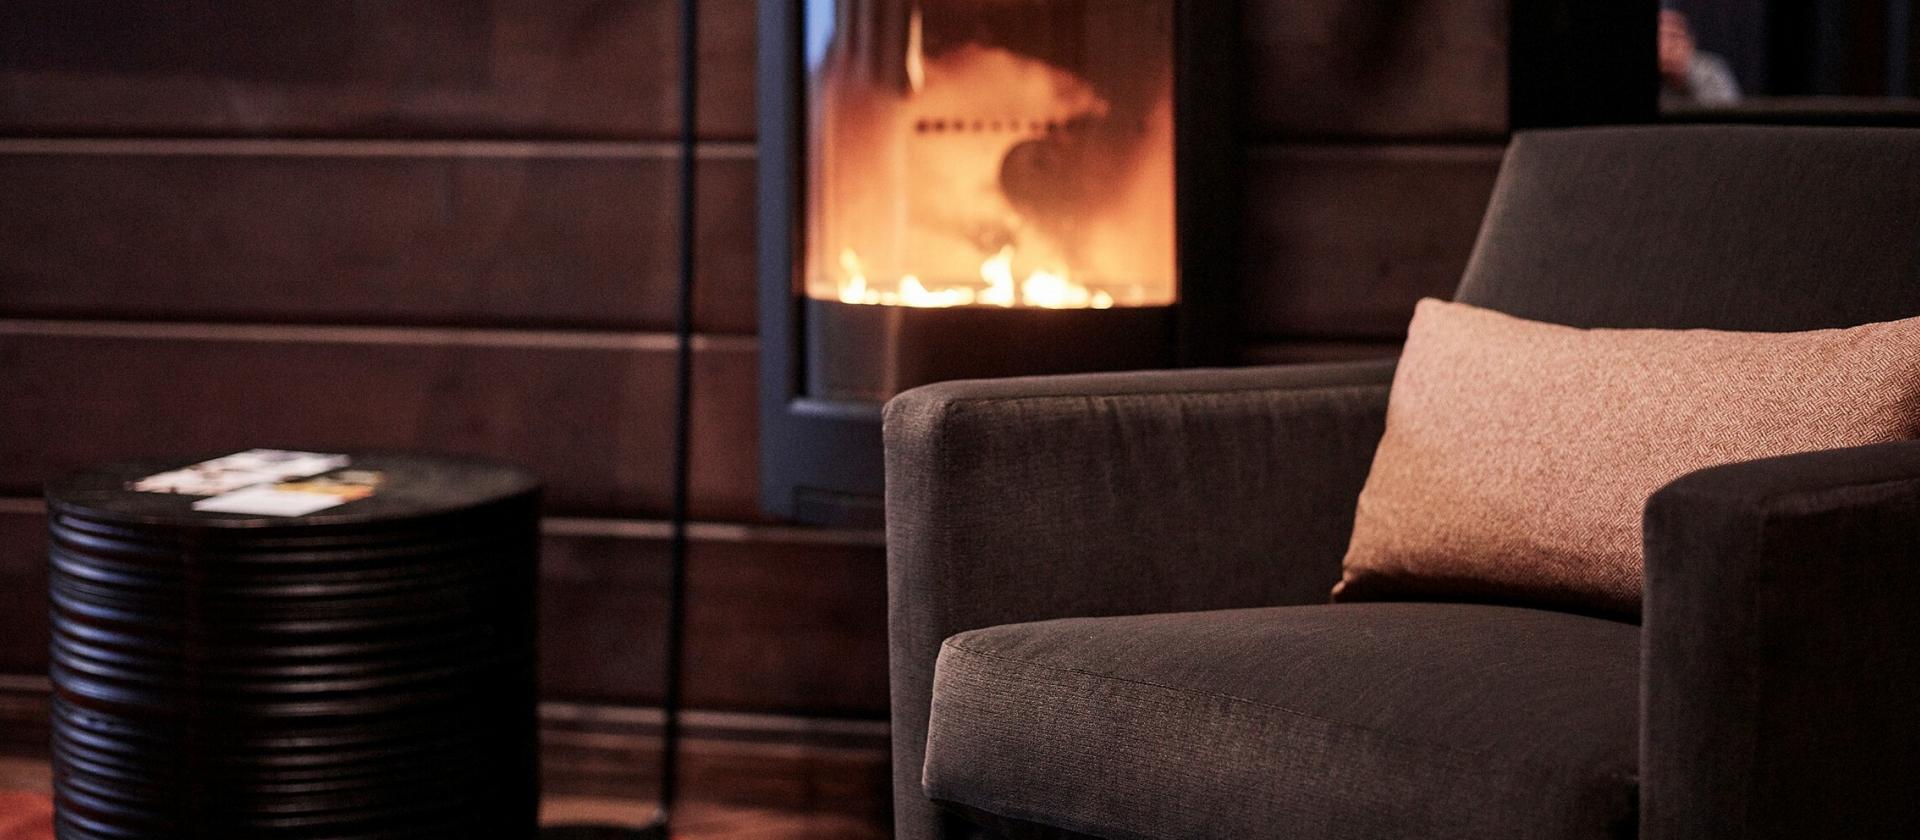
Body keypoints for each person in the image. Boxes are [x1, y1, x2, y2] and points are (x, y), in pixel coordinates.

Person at [1660, 9, 1742, 105]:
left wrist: (1682, 78)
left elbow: (1727, 109)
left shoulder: (1710, 69)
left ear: (1690, 43)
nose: (1667, 45)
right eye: (1661, 38)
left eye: (1674, 37)